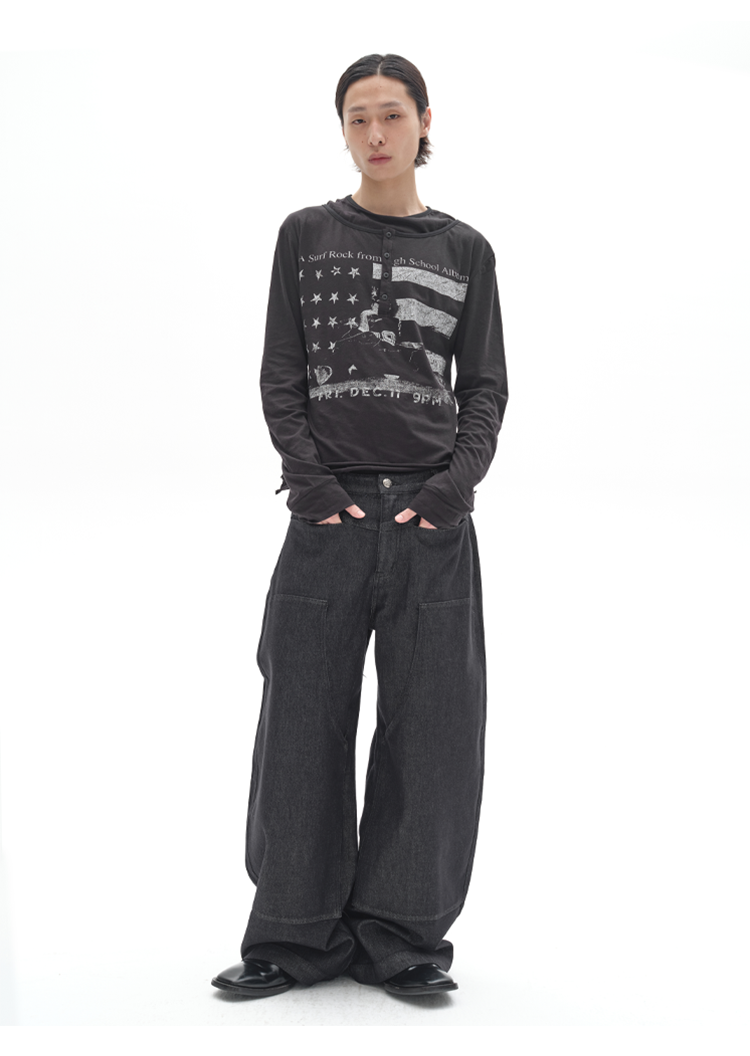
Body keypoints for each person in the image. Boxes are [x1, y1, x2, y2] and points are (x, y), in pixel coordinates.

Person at [212, 53, 508, 999]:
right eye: (356, 118)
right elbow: (282, 372)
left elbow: (485, 387)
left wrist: (451, 492)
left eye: (391, 115)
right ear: (342, 129)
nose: (375, 134)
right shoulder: (305, 235)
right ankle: (292, 938)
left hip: (430, 521)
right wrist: (310, 485)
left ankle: (402, 938)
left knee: (434, 731)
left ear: (425, 121)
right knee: (300, 723)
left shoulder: (465, 251)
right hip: (328, 517)